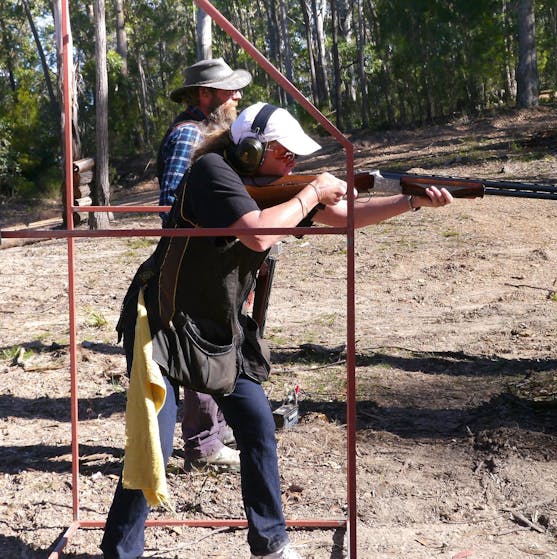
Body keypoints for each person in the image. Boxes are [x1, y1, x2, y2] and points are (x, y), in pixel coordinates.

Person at [101, 102, 453, 559]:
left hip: (216, 330)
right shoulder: (212, 172)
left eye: (295, 158)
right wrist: (310, 194)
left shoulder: (269, 191)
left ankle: (270, 544)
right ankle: (120, 552)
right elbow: (257, 235)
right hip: (164, 327)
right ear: (250, 150)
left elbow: (344, 218)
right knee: (155, 445)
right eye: (285, 154)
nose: (294, 164)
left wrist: (411, 201)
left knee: (258, 426)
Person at [157, 57, 251, 471]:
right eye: (229, 90)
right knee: (200, 344)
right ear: (205, 94)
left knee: (218, 337)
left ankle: (216, 429)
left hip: (212, 254)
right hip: (193, 258)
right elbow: (170, 203)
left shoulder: (211, 133)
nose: (237, 96)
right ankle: (203, 445)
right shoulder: (187, 136)